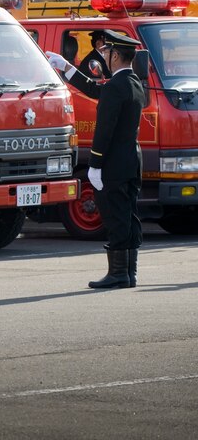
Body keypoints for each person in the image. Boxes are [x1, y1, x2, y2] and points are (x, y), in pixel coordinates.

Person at [46, 29, 146, 289]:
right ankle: (128, 272)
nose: (103, 57)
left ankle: (118, 274)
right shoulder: (133, 83)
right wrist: (66, 68)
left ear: (114, 56)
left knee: (114, 216)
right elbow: (93, 89)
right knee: (128, 215)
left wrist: (95, 164)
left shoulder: (116, 87)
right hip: (131, 161)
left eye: (106, 53)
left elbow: (104, 131)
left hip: (113, 163)